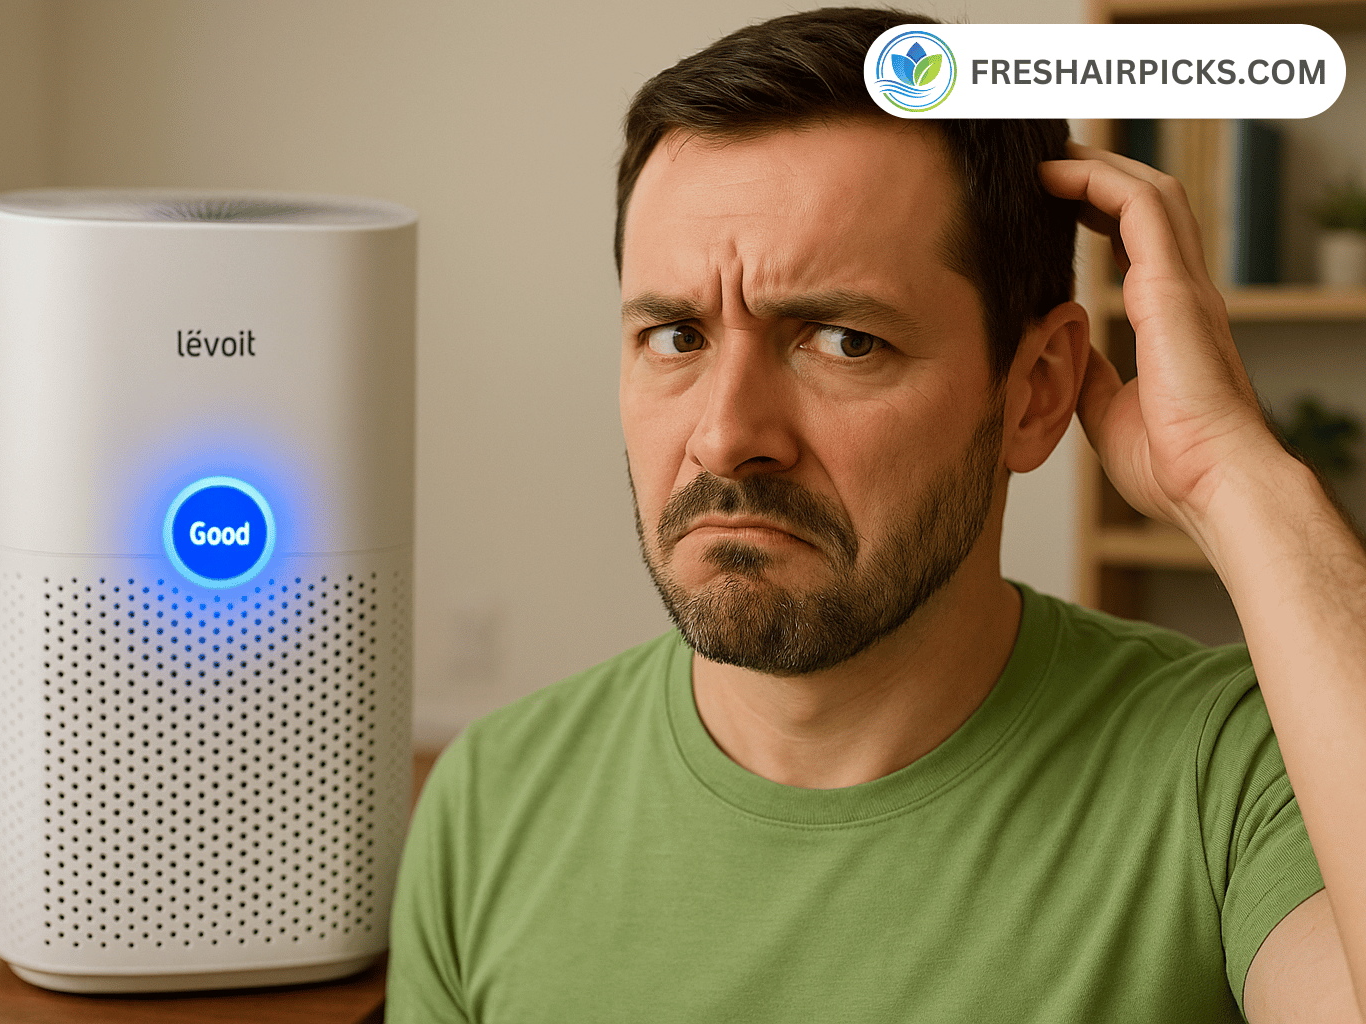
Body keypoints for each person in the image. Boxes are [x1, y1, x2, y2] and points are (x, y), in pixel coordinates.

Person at [386, 8, 1366, 1022]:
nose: (725, 437)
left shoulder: (1244, 770)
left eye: (844, 341)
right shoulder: (489, 803)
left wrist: (1234, 477)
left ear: (1033, 392)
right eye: (676, 334)